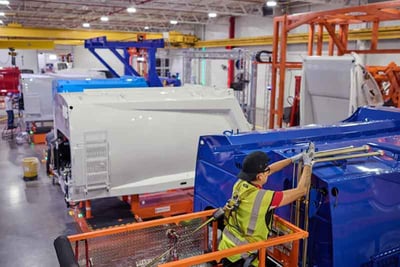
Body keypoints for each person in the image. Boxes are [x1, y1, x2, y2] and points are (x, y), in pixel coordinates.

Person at [218, 147, 314, 267]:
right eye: (265, 172)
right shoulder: (265, 198)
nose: (268, 173)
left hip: (227, 249)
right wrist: (308, 165)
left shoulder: (240, 184)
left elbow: (270, 170)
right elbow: (301, 190)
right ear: (259, 177)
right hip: (245, 258)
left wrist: (293, 159)